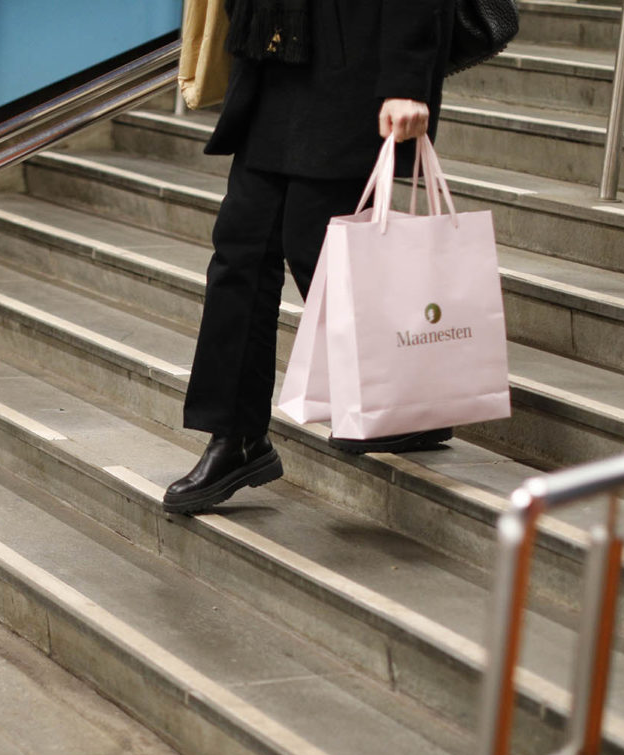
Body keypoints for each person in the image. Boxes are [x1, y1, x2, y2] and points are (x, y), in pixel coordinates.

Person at [163, 0, 457, 514]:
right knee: (239, 251)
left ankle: (406, 402)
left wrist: (407, 79)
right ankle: (236, 437)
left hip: (351, 70)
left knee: (317, 246)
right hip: (272, 57)